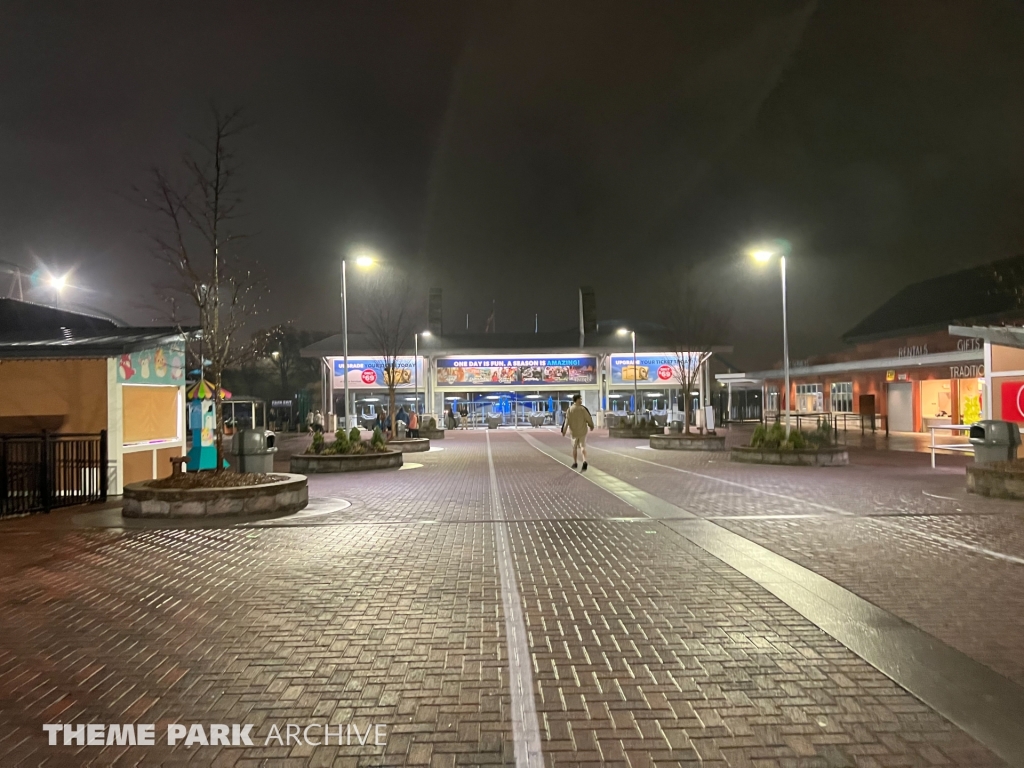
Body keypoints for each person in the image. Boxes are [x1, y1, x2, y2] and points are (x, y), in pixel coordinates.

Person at [562, 393, 594, 471]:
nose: (581, 401)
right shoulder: (583, 409)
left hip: (574, 432)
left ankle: (575, 462)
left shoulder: (570, 409)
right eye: (580, 399)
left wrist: (564, 430)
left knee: (574, 447)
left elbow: (566, 421)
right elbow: (588, 418)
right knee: (583, 447)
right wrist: (591, 425)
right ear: (576, 400)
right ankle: (584, 461)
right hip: (582, 431)